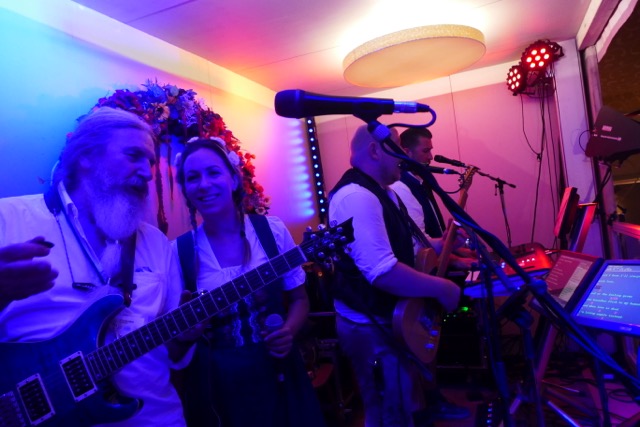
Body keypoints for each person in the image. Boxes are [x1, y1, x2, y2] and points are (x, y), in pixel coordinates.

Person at [0, 107, 192, 426]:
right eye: (133, 155)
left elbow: (173, 347)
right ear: (86, 156)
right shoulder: (8, 220)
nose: (147, 173)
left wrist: (186, 337)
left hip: (158, 417)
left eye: (150, 161)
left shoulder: (158, 243)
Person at [173, 137, 326, 427]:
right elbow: (175, 344)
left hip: (278, 370)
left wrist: (288, 331)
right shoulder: (178, 252)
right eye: (192, 178)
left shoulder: (271, 231)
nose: (204, 184)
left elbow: (299, 299)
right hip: (217, 387)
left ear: (233, 179)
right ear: (186, 190)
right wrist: (186, 334)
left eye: (213, 172)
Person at [328, 124, 461, 427]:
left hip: (387, 320)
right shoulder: (356, 197)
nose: (404, 155)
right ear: (375, 150)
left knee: (400, 406)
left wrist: (443, 243)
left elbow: (410, 245)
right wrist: (442, 288)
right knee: (388, 413)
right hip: (368, 326)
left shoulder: (385, 192)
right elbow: (382, 272)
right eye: (398, 147)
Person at [390, 128, 473, 421]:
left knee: (430, 343)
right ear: (407, 152)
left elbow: (429, 236)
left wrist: (455, 253)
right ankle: (427, 404)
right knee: (424, 345)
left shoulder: (419, 184)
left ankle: (432, 400)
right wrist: (454, 259)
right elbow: (419, 246)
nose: (431, 156)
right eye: (425, 150)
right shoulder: (402, 188)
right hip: (420, 279)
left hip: (432, 272)